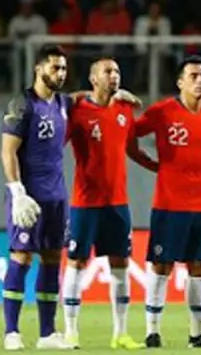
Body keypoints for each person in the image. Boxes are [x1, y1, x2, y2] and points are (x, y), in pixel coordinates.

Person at [134, 55, 201, 349]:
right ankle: (152, 332)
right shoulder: (162, 112)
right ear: (180, 82)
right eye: (193, 76)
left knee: (200, 267)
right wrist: (148, 163)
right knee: (162, 266)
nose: (200, 81)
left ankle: (197, 335)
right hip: (168, 206)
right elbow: (129, 134)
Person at [61, 58, 153, 350]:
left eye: (117, 71)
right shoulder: (77, 111)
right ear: (93, 79)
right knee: (76, 262)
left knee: (120, 264)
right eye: (107, 71)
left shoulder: (125, 109)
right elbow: (57, 145)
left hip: (118, 203)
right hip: (85, 203)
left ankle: (120, 334)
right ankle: (71, 331)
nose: (114, 75)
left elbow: (132, 150)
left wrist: (158, 167)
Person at [0, 44, 76, 351]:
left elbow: (84, 97)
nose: (60, 73)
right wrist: (17, 191)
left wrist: (114, 93)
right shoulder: (22, 104)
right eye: (55, 67)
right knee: (21, 256)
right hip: (28, 197)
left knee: (52, 259)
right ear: (38, 68)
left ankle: (47, 334)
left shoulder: (63, 103)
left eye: (64, 68)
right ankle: (11, 332)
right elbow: (8, 151)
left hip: (56, 196)